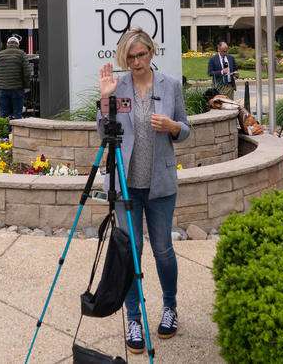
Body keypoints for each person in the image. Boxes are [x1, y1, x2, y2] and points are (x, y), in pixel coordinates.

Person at [97, 27, 190, 354]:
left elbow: (186, 128)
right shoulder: (117, 87)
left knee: (163, 249)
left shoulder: (170, 85)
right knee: (131, 251)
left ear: (152, 52)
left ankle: (169, 307)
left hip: (160, 184)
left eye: (142, 54)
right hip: (126, 186)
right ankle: (134, 317)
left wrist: (173, 127)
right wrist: (105, 99)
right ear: (125, 57)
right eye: (131, 56)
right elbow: (102, 132)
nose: (137, 61)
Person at [0, 35, 32, 120]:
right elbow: (27, 73)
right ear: (18, 44)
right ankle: (17, 132)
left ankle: (4, 132)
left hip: (4, 89)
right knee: (18, 114)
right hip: (18, 88)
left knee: (4, 114)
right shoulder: (22, 54)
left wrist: (2, 77)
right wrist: (26, 85)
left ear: (7, 44)